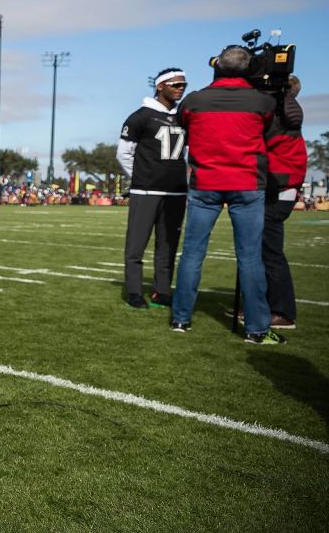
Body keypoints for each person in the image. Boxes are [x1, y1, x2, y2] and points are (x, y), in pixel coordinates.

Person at [171, 46, 282, 344]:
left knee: (193, 253)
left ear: (217, 66)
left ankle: (181, 318)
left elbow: (183, 125)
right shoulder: (262, 101)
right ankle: (256, 329)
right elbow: (269, 129)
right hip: (247, 183)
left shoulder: (194, 100)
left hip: (205, 181)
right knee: (249, 257)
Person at [116, 68, 188, 310]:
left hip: (176, 192)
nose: (180, 89)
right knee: (136, 246)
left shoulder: (184, 117)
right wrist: (141, 177)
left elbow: (186, 153)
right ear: (160, 86)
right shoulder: (140, 116)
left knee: (168, 246)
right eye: (176, 84)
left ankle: (162, 291)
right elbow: (123, 154)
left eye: (183, 85)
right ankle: (134, 292)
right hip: (146, 191)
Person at [257, 75, 306, 330]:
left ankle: (282, 311)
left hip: (279, 189)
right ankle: (263, 306)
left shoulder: (282, 118)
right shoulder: (287, 116)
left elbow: (269, 155)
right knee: (263, 250)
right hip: (280, 187)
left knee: (270, 253)